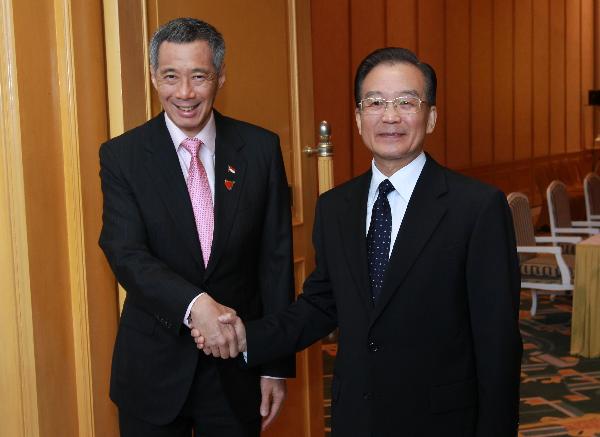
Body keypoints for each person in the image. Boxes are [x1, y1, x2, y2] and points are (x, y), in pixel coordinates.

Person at [195, 47, 522, 436]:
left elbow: (498, 343)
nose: (390, 116)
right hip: (356, 417)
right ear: (357, 116)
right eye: (375, 102)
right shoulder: (336, 207)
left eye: (406, 102)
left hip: (441, 421)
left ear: (431, 117)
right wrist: (247, 336)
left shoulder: (477, 207)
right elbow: (321, 304)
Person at [99, 17, 294, 436]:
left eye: (198, 76)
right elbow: (126, 254)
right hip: (152, 370)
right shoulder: (122, 156)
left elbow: (274, 262)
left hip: (236, 370)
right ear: (154, 77)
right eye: (171, 76)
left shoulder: (260, 149)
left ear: (220, 77)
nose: (184, 93)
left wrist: (275, 364)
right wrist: (196, 306)